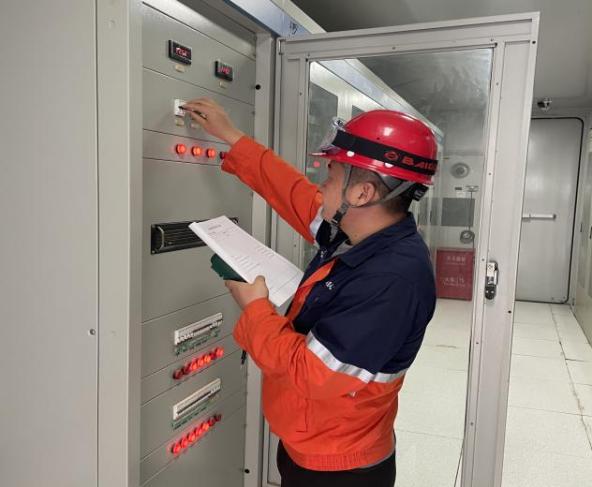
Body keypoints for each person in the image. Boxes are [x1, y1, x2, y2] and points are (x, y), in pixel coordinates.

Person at [182, 98, 438, 487]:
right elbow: (294, 193)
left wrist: (255, 308)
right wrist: (231, 136)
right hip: (313, 444)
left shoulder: (392, 279)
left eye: (331, 177)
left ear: (362, 193)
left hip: (341, 470)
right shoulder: (361, 232)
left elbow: (313, 374)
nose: (321, 185)